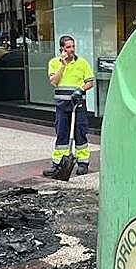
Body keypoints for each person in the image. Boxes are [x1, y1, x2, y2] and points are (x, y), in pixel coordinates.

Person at [42, 35, 94, 177]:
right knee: (62, 133)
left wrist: (81, 89)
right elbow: (54, 82)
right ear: (62, 49)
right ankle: (58, 164)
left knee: (80, 132)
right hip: (62, 105)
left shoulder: (82, 63)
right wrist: (63, 65)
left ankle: (83, 163)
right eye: (68, 47)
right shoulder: (54, 63)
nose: (71, 50)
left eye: (73, 47)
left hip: (78, 104)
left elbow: (90, 82)